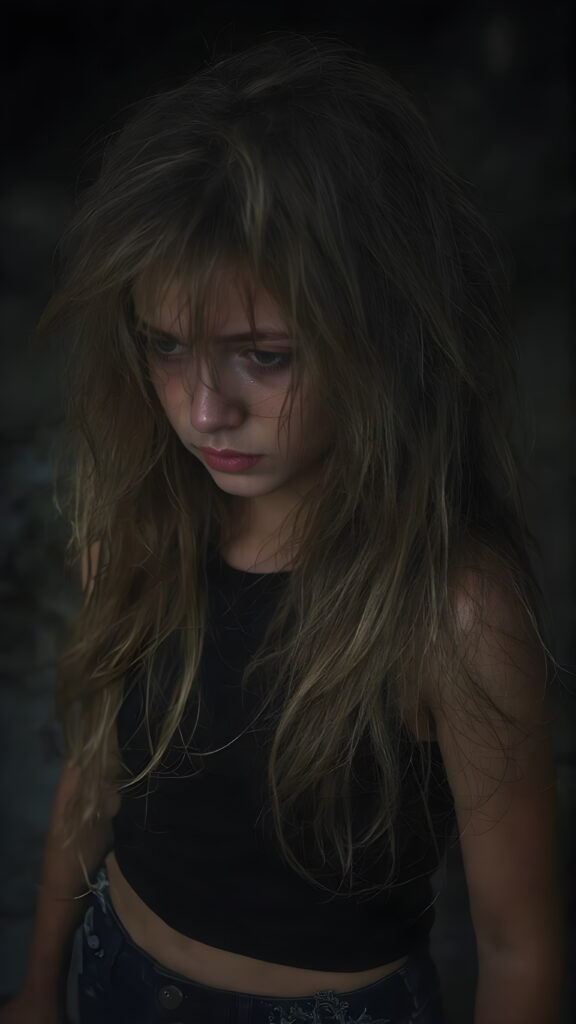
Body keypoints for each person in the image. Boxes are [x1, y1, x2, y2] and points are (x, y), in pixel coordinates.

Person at [0, 31, 563, 1024]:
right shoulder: (137, 528)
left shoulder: (454, 613)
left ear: (381, 338)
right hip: (106, 971)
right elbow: (94, 779)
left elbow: (520, 946)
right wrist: (42, 984)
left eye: (262, 355)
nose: (204, 408)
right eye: (167, 346)